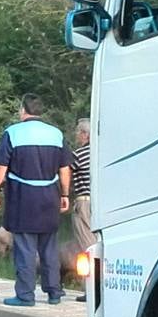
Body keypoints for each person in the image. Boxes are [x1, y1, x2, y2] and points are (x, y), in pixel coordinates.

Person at [0, 94, 73, 306]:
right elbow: (64, 169)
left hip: (23, 198)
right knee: (49, 247)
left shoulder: (13, 133)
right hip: (50, 197)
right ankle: (54, 292)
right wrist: (64, 194)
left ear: (22, 110)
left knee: (25, 246)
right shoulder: (56, 134)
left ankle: (25, 295)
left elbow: (1, 168)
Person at [70, 117, 93, 302]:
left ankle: (91, 289)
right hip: (99, 204)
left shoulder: (78, 155)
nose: (76, 136)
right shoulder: (101, 154)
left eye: (78, 132)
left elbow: (64, 173)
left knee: (86, 247)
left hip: (83, 203)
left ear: (85, 135)